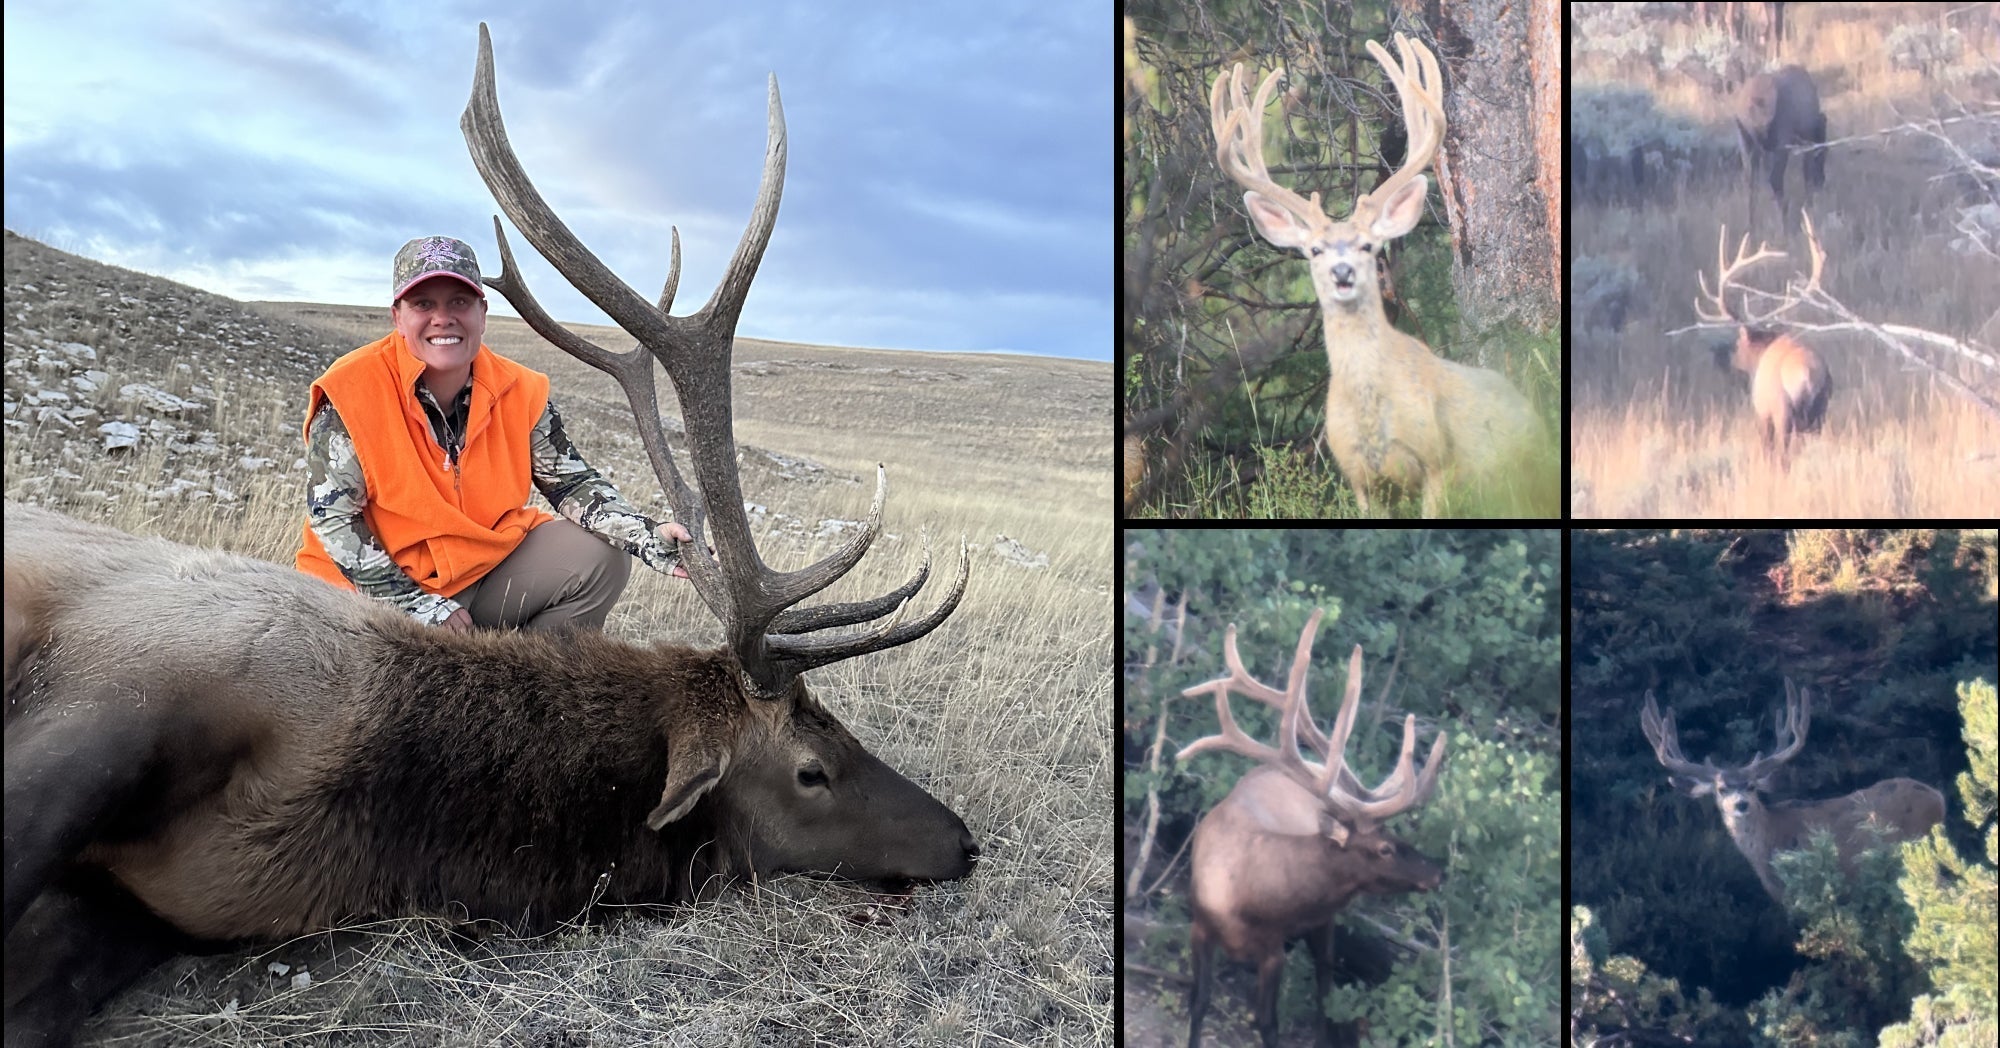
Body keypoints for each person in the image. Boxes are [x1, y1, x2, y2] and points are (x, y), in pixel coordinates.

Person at [295, 235, 691, 633]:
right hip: (362, 598)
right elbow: (333, 519)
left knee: (602, 557)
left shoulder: (518, 390)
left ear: (482, 313)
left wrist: (646, 536)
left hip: (475, 577)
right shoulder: (351, 392)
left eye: (459, 302)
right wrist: (413, 605)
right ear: (397, 317)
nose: (443, 318)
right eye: (423, 304)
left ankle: (536, 687)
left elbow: (572, 484)